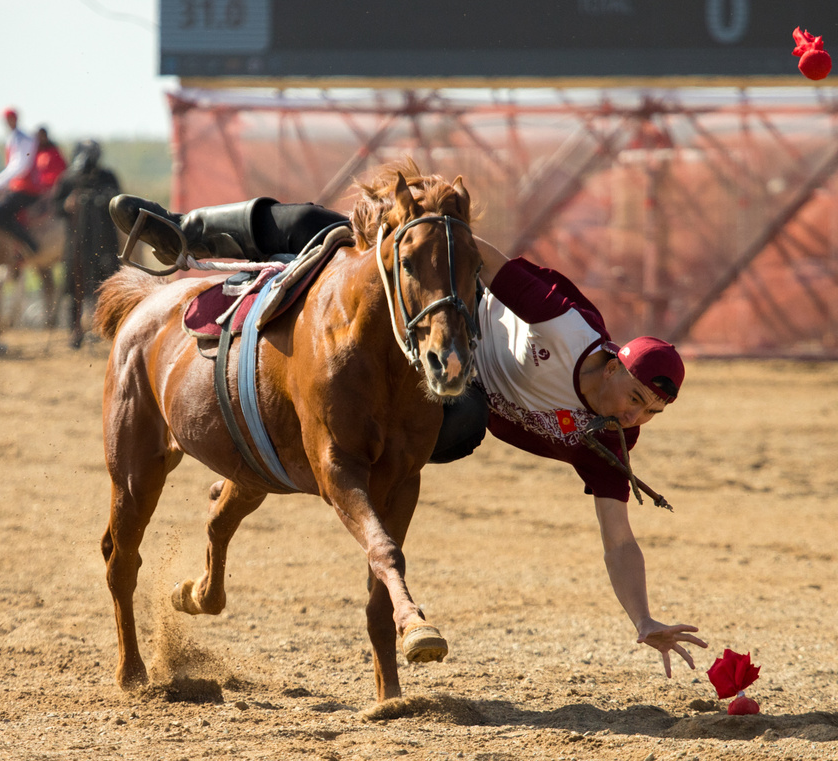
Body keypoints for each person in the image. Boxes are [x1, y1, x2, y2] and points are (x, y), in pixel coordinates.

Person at [107, 181, 707, 678]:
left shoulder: (607, 440)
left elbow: (619, 539)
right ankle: (184, 226)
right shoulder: (565, 321)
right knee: (338, 231)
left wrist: (644, 619)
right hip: (447, 307)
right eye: (634, 399)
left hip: (453, 391)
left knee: (462, 425)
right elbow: (486, 260)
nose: (633, 418)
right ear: (616, 362)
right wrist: (423, 231)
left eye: (647, 415)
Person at [53, 140, 121, 349]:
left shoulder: (107, 177)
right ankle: (75, 331)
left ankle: (110, 329)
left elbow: (117, 200)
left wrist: (99, 199)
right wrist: (67, 205)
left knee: (109, 286)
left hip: (104, 243)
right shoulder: (68, 179)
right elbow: (56, 206)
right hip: (77, 243)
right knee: (75, 287)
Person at [0, 108, 39, 253]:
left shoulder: (23, 138)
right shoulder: (14, 137)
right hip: (16, 186)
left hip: (26, 188)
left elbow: (19, 166)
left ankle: (28, 245)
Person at [31, 126, 67, 196]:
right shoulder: (35, 153)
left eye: (43, 136)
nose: (41, 138)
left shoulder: (53, 151)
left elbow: (63, 169)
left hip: (52, 188)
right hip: (38, 188)